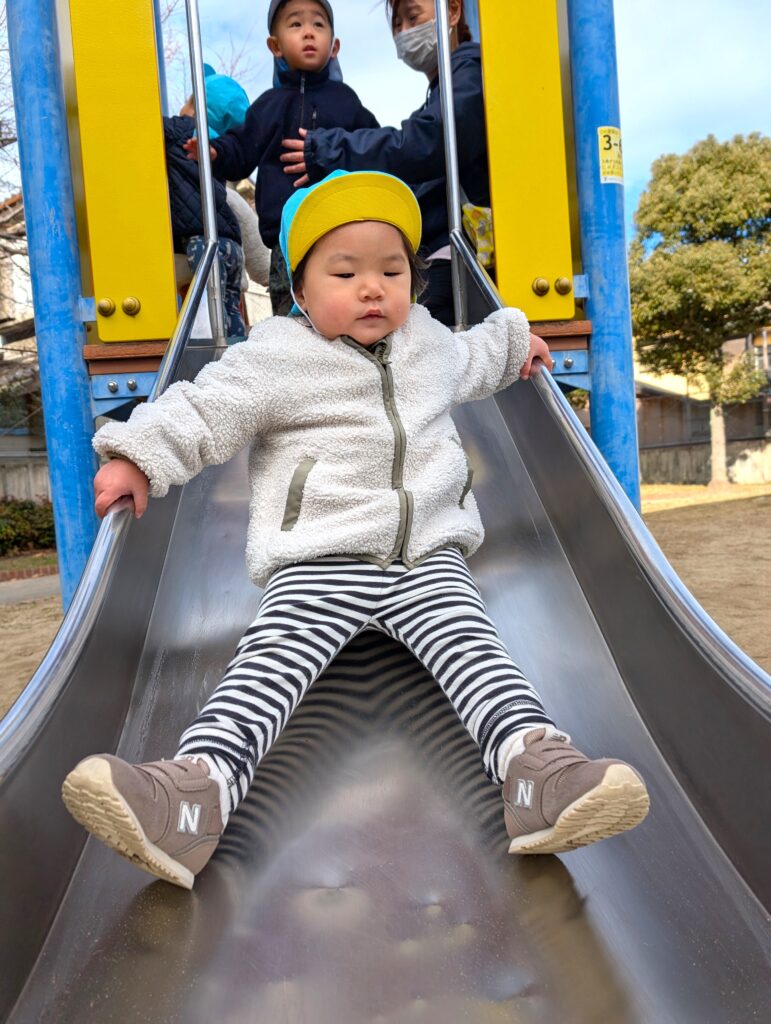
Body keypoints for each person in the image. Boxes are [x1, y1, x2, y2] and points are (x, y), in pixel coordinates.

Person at [61, 170, 650, 890]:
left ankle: (538, 773)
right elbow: (204, 409)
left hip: (427, 558)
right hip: (319, 560)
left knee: (479, 656)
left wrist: (513, 339)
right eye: (344, 272)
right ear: (300, 293)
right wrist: (138, 456)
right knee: (265, 668)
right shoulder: (276, 357)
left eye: (391, 271)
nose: (372, 288)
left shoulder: (427, 344)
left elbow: (474, 356)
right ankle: (193, 794)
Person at [281, 0, 487, 327]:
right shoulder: (445, 87)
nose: (405, 32)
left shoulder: (470, 75)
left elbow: (426, 143)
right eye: (397, 26)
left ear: (452, 11)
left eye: (413, 17)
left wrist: (330, 150)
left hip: (459, 255)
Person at [185, 0, 379, 316]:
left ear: (334, 46)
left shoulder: (347, 103)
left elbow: (371, 148)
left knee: (342, 313)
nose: (308, 33)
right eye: (295, 24)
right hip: (285, 243)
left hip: (341, 231)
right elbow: (242, 146)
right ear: (275, 46)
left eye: (318, 25)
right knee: (290, 317)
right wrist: (217, 152)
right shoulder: (268, 105)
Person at [165, 66, 252, 338]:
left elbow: (143, 124)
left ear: (192, 105)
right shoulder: (221, 152)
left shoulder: (182, 130)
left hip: (203, 241)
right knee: (231, 313)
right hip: (233, 245)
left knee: (207, 311)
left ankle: (208, 366)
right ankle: (238, 354)